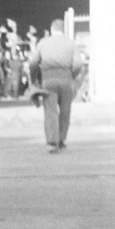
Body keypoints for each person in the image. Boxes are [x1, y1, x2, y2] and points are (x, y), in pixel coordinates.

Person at [27, 18, 84, 153]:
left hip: (48, 80)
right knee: (65, 111)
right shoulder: (71, 44)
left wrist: (35, 79)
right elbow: (78, 64)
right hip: (66, 80)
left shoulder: (43, 43)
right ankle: (62, 139)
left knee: (50, 111)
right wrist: (71, 75)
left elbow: (33, 63)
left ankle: (52, 142)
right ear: (62, 30)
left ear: (51, 30)